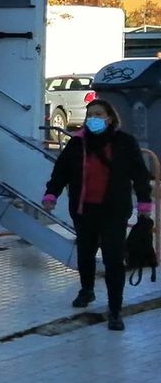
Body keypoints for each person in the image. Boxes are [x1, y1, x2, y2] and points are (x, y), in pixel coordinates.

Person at [42, 98, 152, 332]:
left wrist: (144, 203)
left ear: (109, 118)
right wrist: (51, 195)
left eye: (98, 114)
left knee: (114, 259)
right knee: (86, 253)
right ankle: (87, 290)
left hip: (114, 211)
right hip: (84, 210)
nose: (93, 119)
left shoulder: (124, 142)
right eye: (90, 114)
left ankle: (115, 310)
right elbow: (61, 172)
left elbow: (140, 175)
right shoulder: (77, 144)